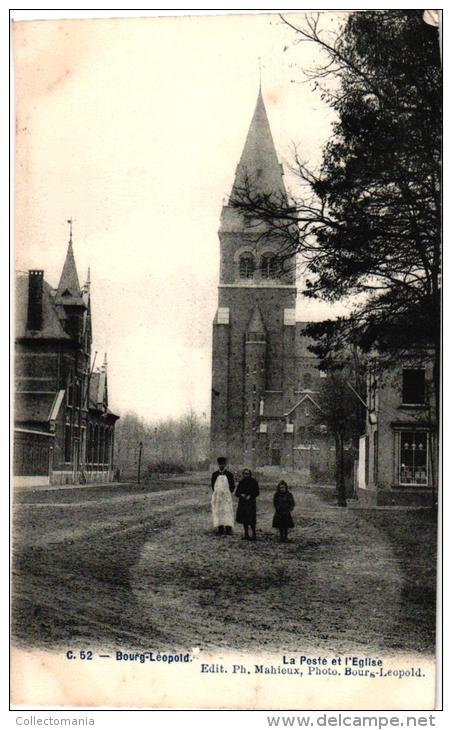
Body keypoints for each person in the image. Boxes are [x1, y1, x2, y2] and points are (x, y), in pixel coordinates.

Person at [211, 457, 235, 535]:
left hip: (226, 497)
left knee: (227, 511)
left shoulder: (229, 474)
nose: (221, 466)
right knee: (219, 511)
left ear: (225, 465)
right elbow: (213, 486)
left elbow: (232, 486)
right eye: (220, 464)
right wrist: (217, 493)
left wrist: (227, 493)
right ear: (218, 465)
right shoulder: (215, 474)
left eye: (223, 464)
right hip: (218, 497)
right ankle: (220, 528)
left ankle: (228, 528)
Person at [235, 468, 259, 540]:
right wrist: (241, 495)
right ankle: (246, 534)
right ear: (243, 474)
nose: (246, 475)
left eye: (247, 474)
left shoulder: (254, 482)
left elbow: (257, 492)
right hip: (243, 503)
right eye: (245, 474)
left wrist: (250, 496)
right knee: (244, 519)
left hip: (251, 503)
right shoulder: (241, 482)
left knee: (252, 520)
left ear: (250, 474)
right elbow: (237, 493)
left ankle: (254, 535)